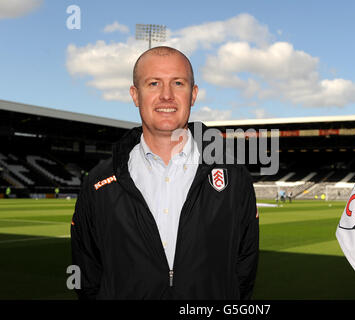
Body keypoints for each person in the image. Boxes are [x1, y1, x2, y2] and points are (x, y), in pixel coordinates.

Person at [70, 46, 259, 300]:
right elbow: (87, 274)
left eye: (178, 83)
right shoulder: (98, 182)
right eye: (154, 83)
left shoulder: (235, 177)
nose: (166, 95)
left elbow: (243, 271)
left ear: (193, 95)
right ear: (135, 95)